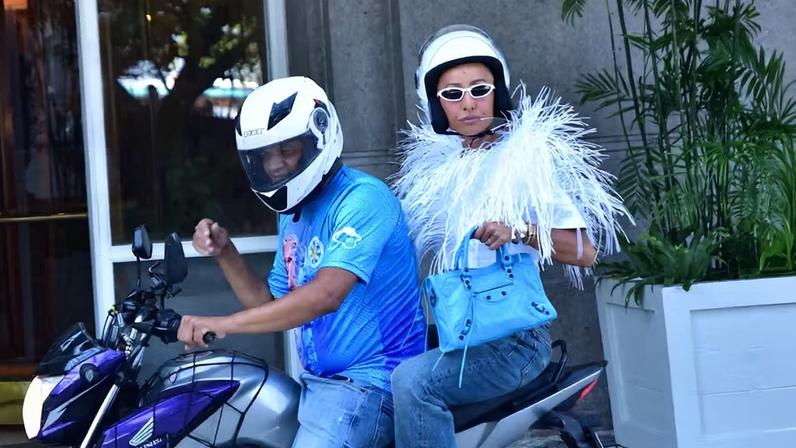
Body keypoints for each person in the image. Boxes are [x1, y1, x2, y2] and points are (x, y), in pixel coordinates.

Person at [390, 25, 628, 447]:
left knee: (413, 383)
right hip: (465, 330)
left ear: (497, 93)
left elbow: (586, 252)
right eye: (452, 94)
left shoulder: (524, 161)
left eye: (479, 89)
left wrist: (518, 230)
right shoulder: (445, 173)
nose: (468, 103)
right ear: (435, 106)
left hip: (514, 344)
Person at [177, 76, 426, 448]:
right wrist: (225, 253)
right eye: (264, 156)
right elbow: (271, 305)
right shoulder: (296, 213)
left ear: (320, 135)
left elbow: (326, 294)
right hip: (322, 388)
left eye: (287, 150)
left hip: (370, 387)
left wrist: (222, 323)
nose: (275, 166)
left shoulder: (362, 200)